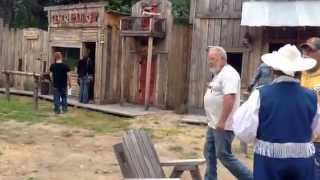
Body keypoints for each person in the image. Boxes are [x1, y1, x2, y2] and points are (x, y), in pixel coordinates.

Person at [233, 44, 320, 180]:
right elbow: (315, 129)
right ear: (299, 71)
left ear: (273, 69)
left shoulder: (260, 94)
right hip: (303, 160)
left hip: (269, 161)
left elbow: (244, 130)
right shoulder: (311, 96)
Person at [203, 46, 253, 180]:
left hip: (223, 125)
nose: (210, 62)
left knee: (224, 155)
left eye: (212, 59)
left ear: (222, 59)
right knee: (209, 152)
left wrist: (222, 121)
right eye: (209, 59)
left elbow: (229, 97)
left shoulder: (229, 73)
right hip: (213, 124)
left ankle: (250, 178)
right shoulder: (219, 74)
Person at [300, 37, 320, 179]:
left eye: (311, 50)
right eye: (305, 50)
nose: (306, 53)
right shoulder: (303, 73)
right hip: (305, 138)